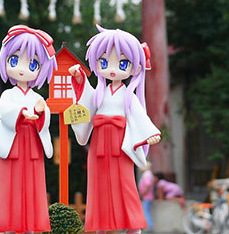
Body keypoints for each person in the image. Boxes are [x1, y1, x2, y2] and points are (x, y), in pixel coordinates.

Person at [69, 25, 161, 234]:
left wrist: (150, 134)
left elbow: (139, 117)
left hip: (120, 145)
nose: (112, 69)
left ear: (134, 67)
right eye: (104, 62)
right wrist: (80, 80)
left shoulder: (128, 96)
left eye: (122, 63)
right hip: (99, 145)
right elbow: (85, 103)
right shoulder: (99, 93)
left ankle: (133, 227)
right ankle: (101, 227)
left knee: (125, 185)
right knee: (99, 186)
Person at [0, 25, 57, 234]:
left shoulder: (37, 97)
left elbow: (45, 119)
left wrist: (41, 112)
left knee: (32, 186)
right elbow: (4, 112)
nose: (22, 68)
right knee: (9, 186)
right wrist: (22, 113)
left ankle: (30, 226)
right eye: (14, 60)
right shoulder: (8, 95)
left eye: (33, 64)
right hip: (13, 144)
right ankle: (10, 226)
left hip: (32, 145)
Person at [138, 162, 155, 231]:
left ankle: (149, 227)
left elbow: (148, 185)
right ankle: (148, 227)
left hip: (147, 197)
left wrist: (143, 193)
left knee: (146, 212)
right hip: (147, 196)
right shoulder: (148, 174)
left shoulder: (147, 174)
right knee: (146, 211)